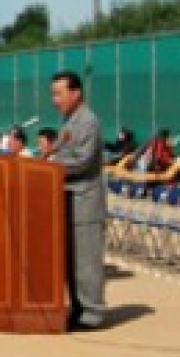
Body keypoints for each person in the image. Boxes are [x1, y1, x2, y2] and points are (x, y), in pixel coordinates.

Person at [47, 71, 108, 330]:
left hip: (85, 201)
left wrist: (51, 163)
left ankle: (92, 313)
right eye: (53, 94)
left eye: (59, 93)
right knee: (71, 260)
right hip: (68, 199)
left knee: (86, 261)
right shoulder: (70, 121)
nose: (54, 100)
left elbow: (82, 160)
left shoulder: (88, 122)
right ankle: (77, 308)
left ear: (76, 93)